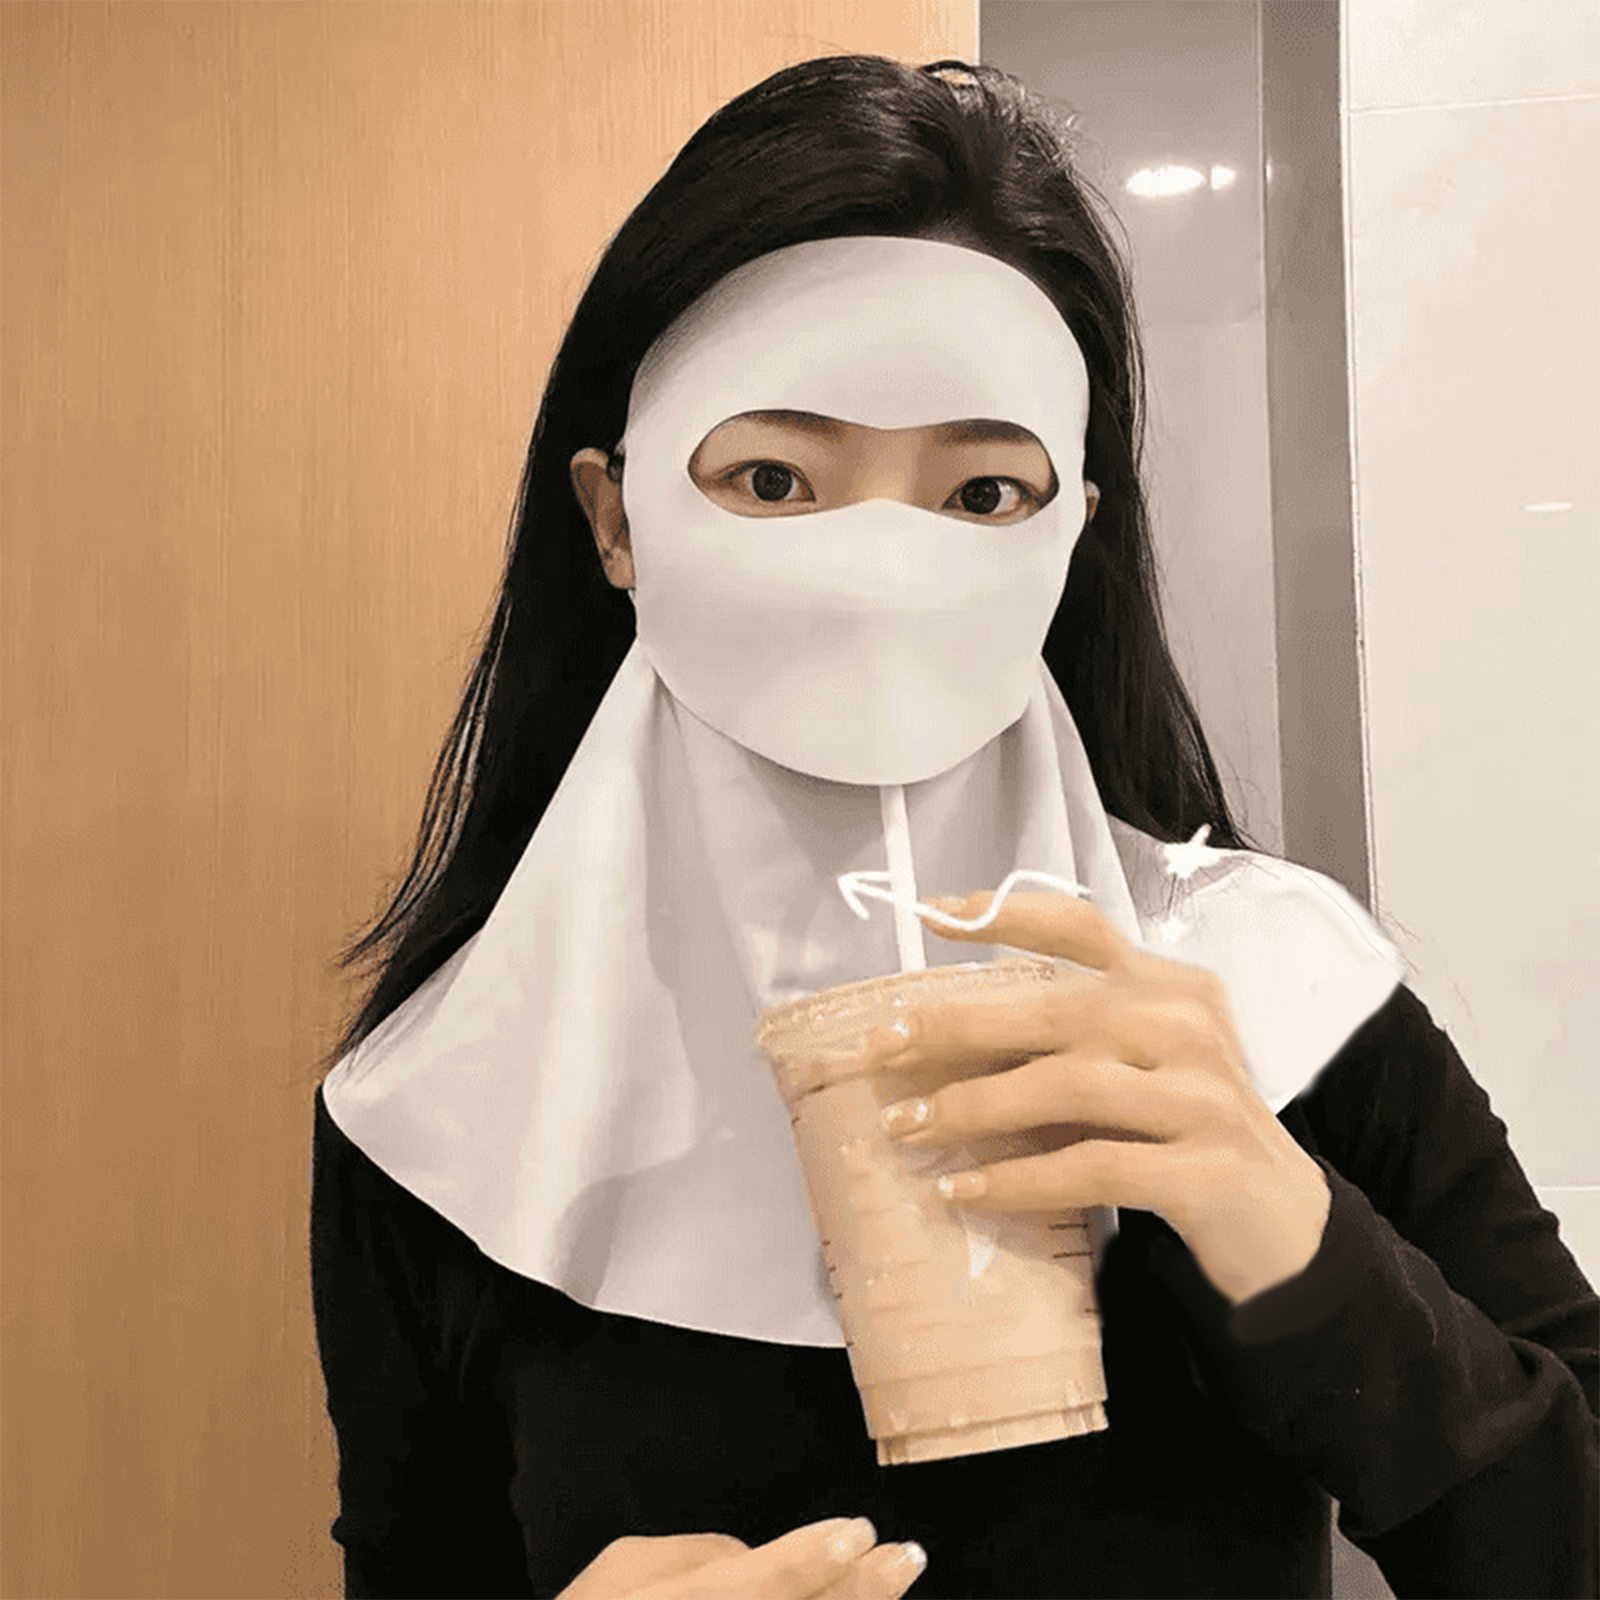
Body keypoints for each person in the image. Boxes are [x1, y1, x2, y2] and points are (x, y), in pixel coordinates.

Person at [308, 54, 1600, 1600]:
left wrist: (1301, 1248)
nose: (879, 576)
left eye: (981, 495)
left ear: (1073, 538)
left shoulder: (1268, 996)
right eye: (774, 477)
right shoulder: (449, 1107)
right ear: (615, 516)